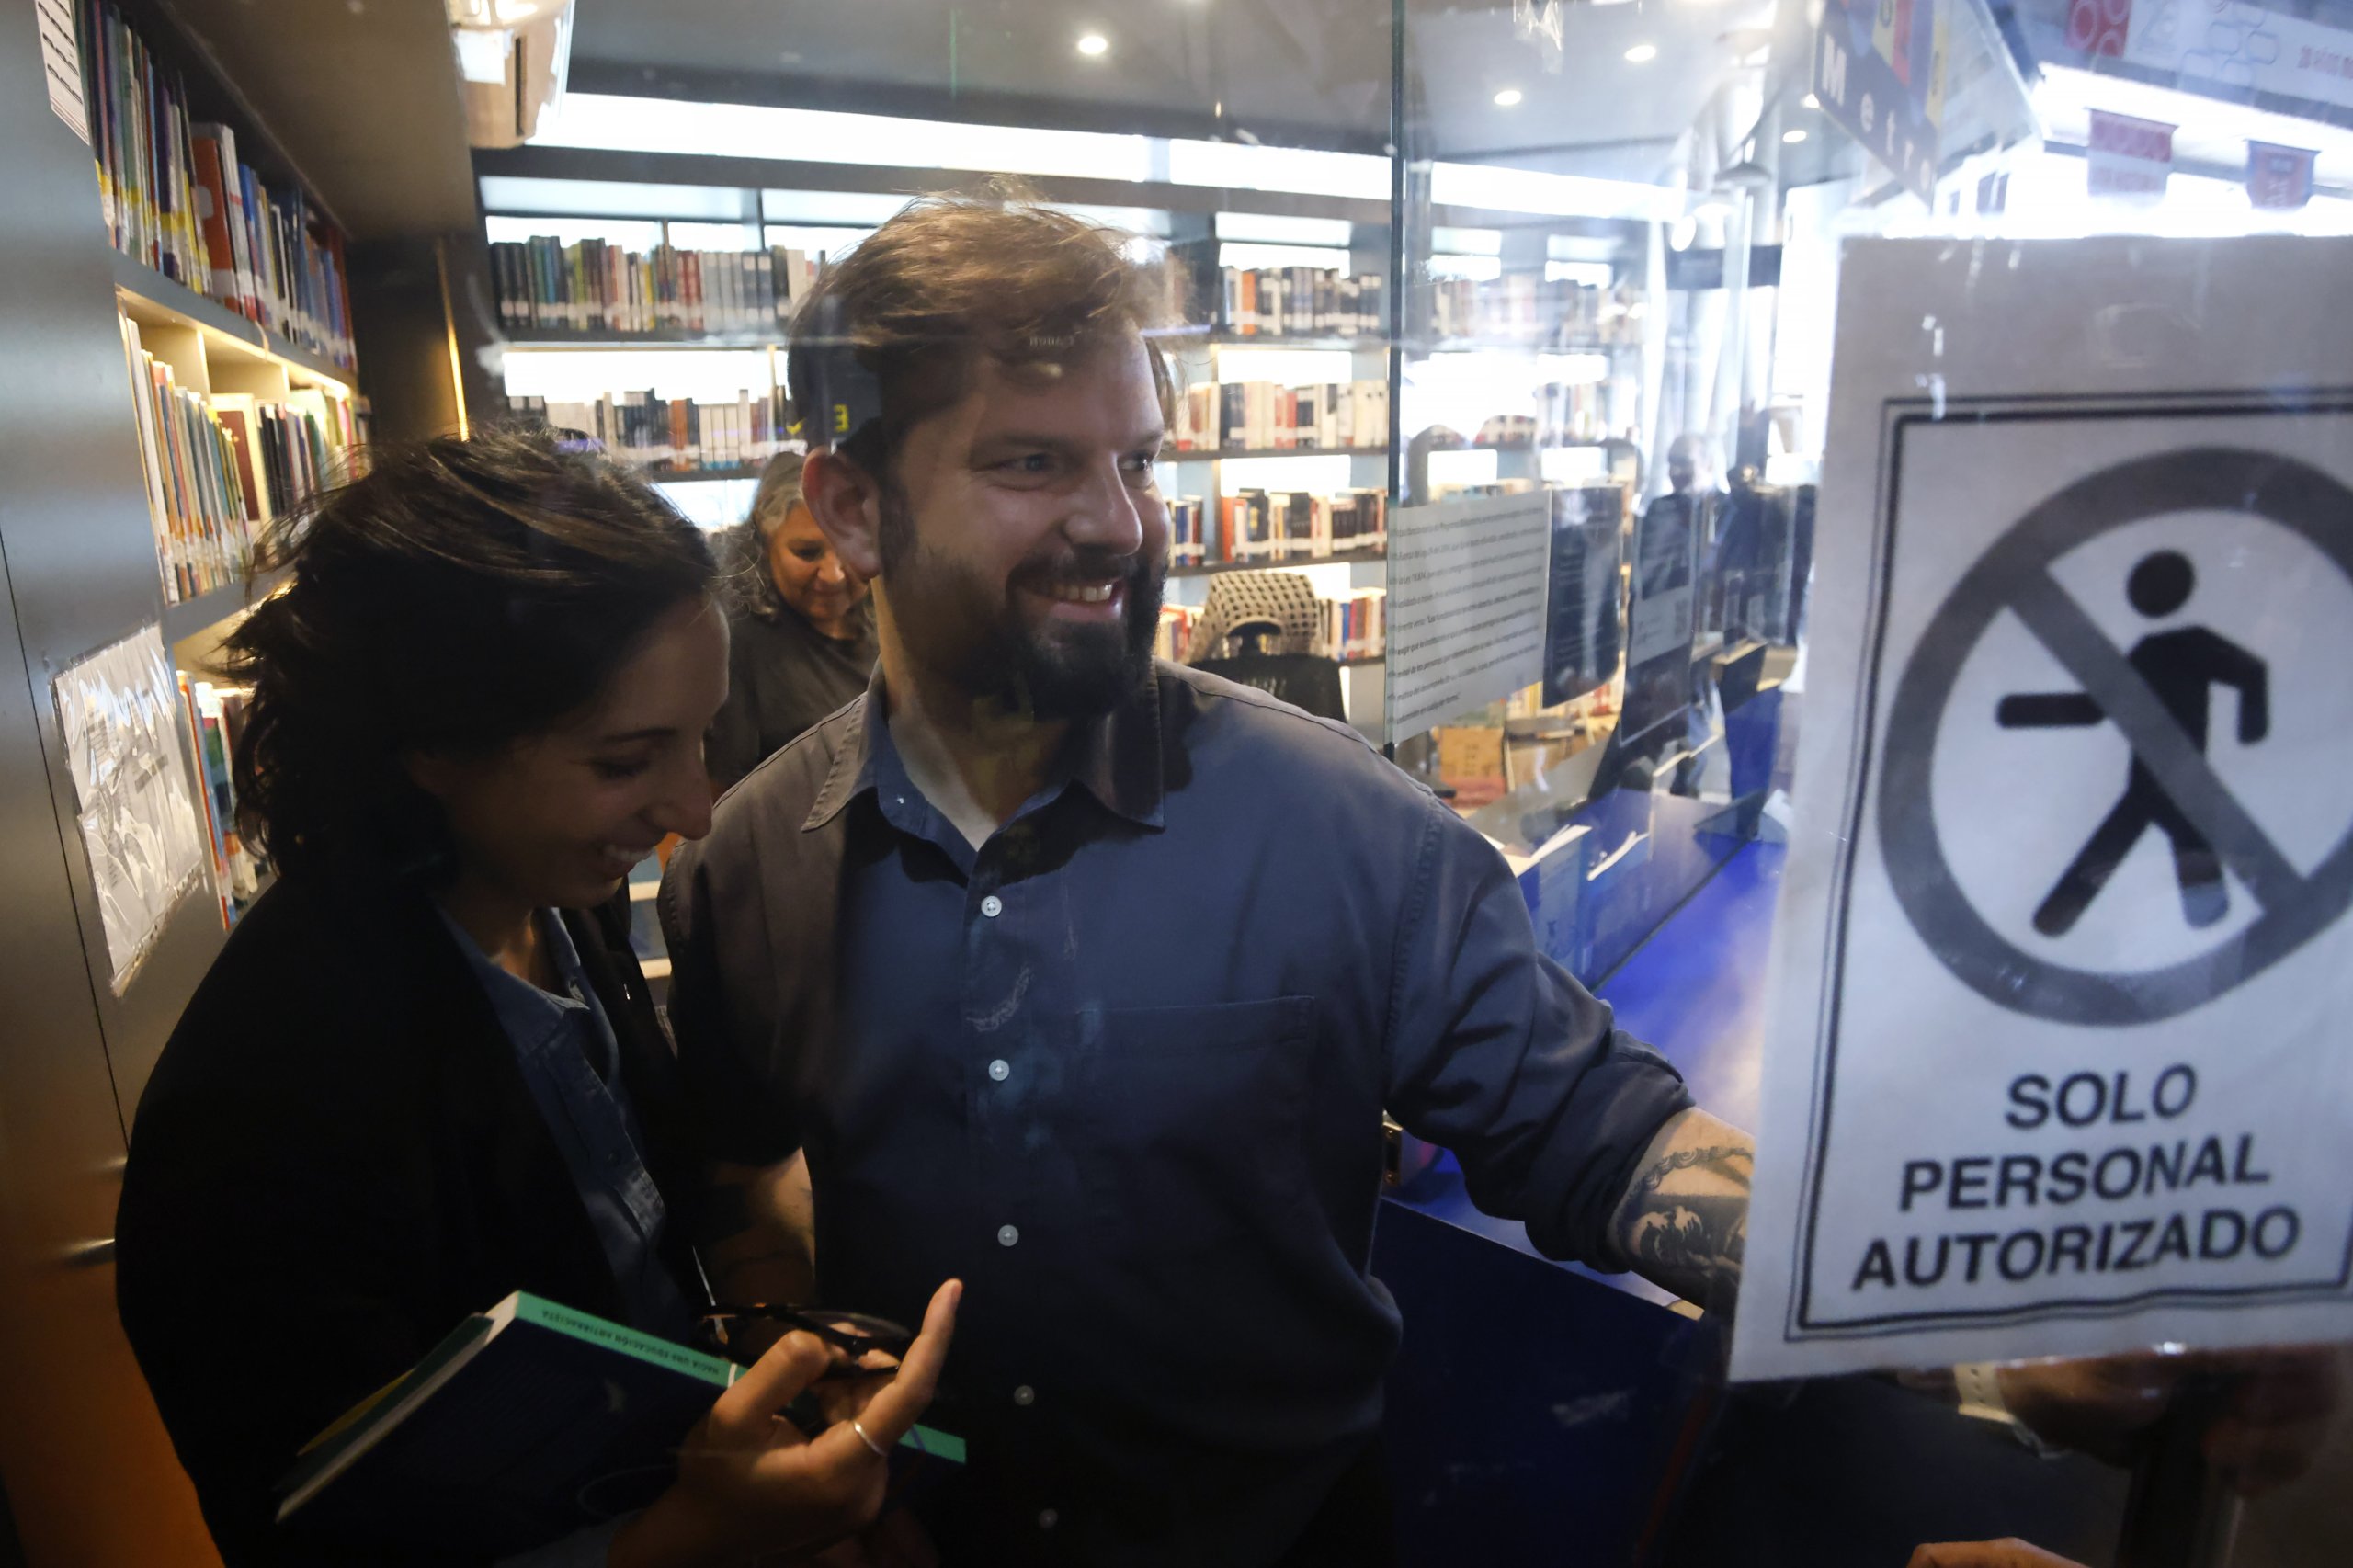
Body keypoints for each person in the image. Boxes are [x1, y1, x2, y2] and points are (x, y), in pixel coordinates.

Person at [660, 196, 1754, 1564]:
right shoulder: (750, 867)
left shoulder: (1347, 827)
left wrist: (1918, 1302)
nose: (1119, 522)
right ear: (854, 507)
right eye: (1033, 462)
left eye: (1136, 459)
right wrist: (800, 1387)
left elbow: (1607, 1134)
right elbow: (744, 1174)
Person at [115, 430, 958, 1568]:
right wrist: (695, 1535)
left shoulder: (553, 896)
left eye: (699, 739)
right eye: (625, 761)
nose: (694, 810)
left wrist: (781, 1380)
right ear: (434, 742)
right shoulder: (265, 1103)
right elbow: (315, 1530)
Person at [705, 449, 880, 793]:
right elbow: (723, 798)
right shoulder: (739, 641)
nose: (833, 574)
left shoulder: (886, 615)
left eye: (849, 549)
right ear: (764, 543)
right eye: (807, 552)